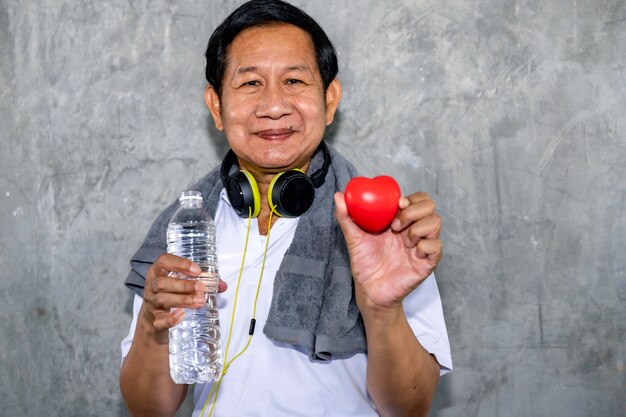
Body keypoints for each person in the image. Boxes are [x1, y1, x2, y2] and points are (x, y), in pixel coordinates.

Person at [119, 1, 452, 416]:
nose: (274, 106)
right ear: (216, 106)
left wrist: (381, 311)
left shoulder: (383, 228)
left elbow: (410, 406)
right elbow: (149, 408)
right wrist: (154, 322)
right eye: (250, 83)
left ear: (330, 100)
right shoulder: (185, 228)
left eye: (294, 80)